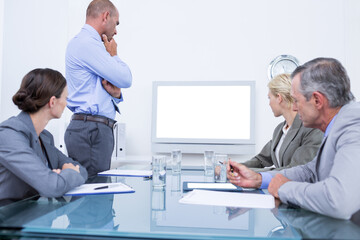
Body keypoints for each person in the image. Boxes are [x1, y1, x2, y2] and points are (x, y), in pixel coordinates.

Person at [227, 57, 360, 220]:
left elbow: (339, 200)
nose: (295, 107)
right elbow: (310, 171)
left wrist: (284, 188)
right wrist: (260, 179)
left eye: (297, 101)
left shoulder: (354, 127)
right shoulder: (338, 125)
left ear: (317, 100)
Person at [0, 68, 88, 205]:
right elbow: (51, 186)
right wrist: (66, 174)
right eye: (65, 98)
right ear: (52, 102)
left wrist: (63, 175)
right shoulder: (9, 135)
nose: (67, 103)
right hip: (8, 219)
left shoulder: (45, 137)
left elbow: (80, 169)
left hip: (32, 215)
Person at [65, 0, 132, 176]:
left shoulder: (89, 44)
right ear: (106, 16)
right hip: (91, 132)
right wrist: (114, 55)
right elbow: (125, 78)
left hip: (93, 131)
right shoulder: (87, 44)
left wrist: (116, 95)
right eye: (116, 24)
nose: (116, 31)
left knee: (97, 196)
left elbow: (97, 87)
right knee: (95, 198)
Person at [242, 73, 323, 171]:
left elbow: (294, 170)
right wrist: (234, 168)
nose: (269, 103)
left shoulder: (311, 129)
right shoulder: (280, 129)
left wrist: (250, 173)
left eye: (269, 98)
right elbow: (261, 159)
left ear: (279, 98)